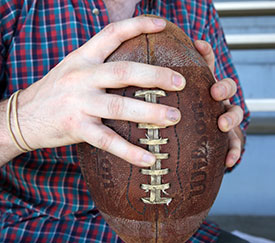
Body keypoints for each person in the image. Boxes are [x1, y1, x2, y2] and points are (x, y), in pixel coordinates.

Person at [0, 0, 250, 242]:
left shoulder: (194, 6)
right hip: (33, 223)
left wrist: (220, 129)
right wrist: (21, 119)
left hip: (179, 230)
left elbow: (236, 127)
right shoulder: (12, 6)